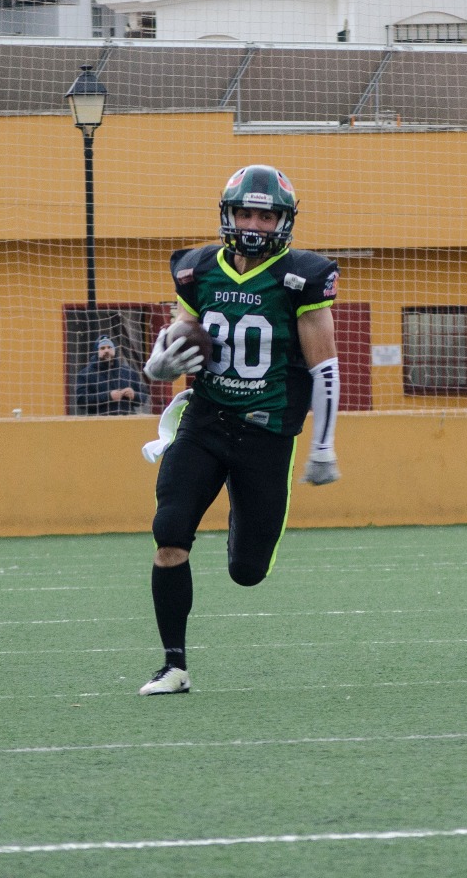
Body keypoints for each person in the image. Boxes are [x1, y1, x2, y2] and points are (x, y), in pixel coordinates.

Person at [135, 164, 342, 694]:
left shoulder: (301, 276)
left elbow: (325, 367)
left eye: (266, 214)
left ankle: (239, 519)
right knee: (169, 532)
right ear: (228, 214)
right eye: (246, 212)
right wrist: (156, 367)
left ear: (283, 222)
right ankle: (173, 665)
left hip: (267, 433)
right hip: (205, 422)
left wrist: (323, 446)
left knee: (248, 571)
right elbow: (183, 336)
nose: (254, 223)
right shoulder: (197, 267)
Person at [74, 335, 149, 415]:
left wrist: (134, 395)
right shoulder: (85, 374)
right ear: (96, 352)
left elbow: (143, 397)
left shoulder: (128, 372)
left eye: (109, 347)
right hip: (99, 424)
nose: (106, 350)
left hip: (127, 423)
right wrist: (109, 396)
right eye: (102, 348)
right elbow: (81, 400)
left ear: (114, 350)